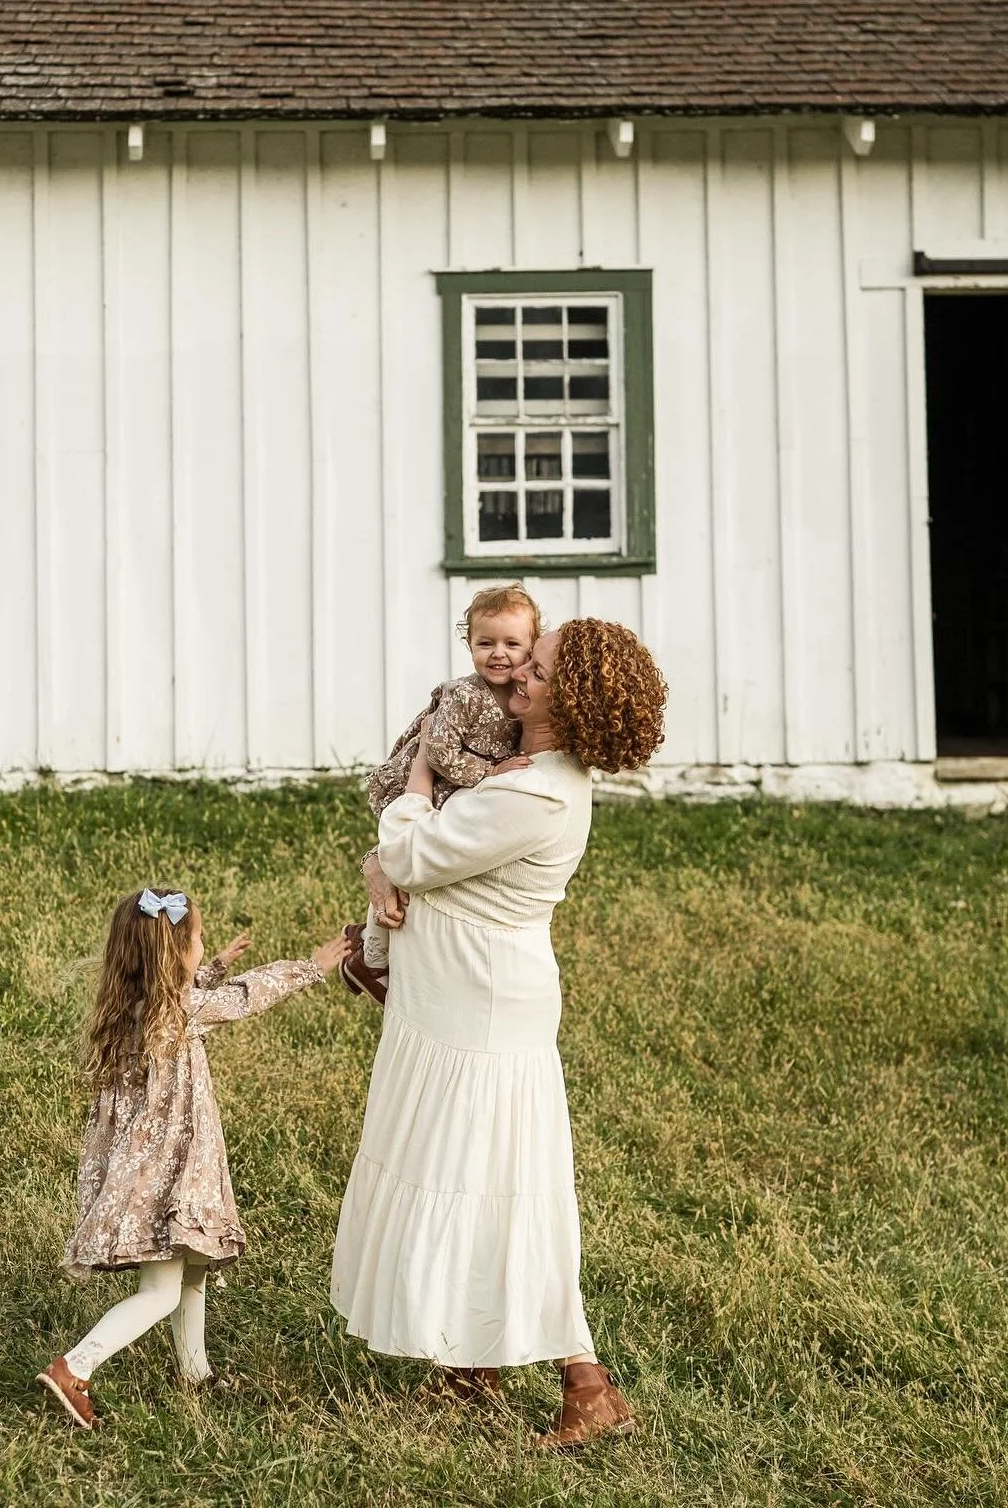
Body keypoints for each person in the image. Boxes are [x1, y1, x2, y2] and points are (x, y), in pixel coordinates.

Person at [331, 618, 668, 1449]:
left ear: (572, 701)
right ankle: (470, 1362)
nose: (517, 675)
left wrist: (413, 784)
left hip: (476, 1011)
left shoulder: (534, 794)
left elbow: (409, 856)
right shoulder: (526, 773)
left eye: (539, 673)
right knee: (470, 1176)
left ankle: (587, 1384)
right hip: (458, 1000)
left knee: (499, 1186)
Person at [38, 886, 352, 1429]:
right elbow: (246, 997)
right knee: (160, 1292)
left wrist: (212, 968)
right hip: (168, 1174)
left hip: (152, 1167)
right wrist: (311, 967)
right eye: (199, 939)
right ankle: (75, 1368)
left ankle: (195, 1372)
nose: (204, 945)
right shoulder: (180, 1013)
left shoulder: (139, 1007)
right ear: (176, 953)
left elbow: (189, 995)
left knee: (192, 1271)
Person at [340, 585, 541, 1006]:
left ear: (532, 646)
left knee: (420, 869)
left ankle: (371, 945)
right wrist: (489, 772)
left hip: (451, 790)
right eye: (485, 643)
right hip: (418, 784)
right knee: (404, 864)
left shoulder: (521, 696)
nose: (498, 654)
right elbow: (439, 751)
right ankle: (371, 958)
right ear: (469, 644)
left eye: (512, 644)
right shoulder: (464, 695)